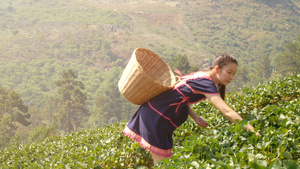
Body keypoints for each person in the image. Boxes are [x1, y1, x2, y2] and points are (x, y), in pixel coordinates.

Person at [123, 53, 259, 166]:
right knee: (163, 165)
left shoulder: (201, 76)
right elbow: (227, 111)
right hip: (156, 117)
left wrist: (195, 117)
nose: (231, 77)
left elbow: (179, 97)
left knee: (164, 163)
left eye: (234, 74)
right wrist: (251, 129)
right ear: (217, 69)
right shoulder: (207, 83)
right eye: (229, 72)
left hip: (155, 113)